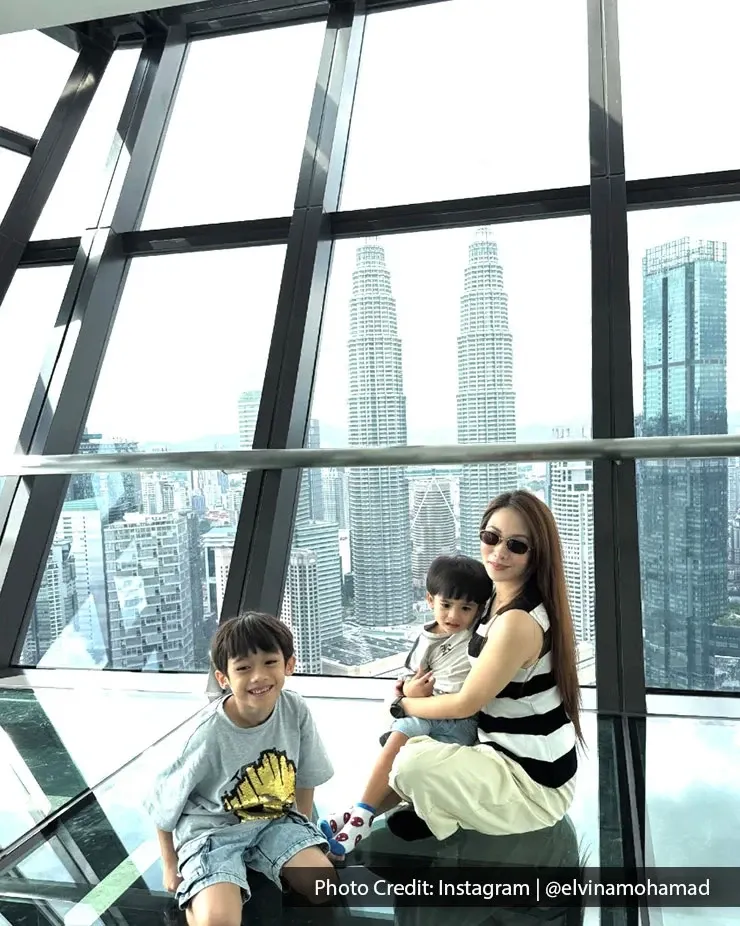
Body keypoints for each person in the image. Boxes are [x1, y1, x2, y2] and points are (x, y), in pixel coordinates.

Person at [383, 489, 584, 843]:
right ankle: (374, 815)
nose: (498, 552)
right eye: (490, 537)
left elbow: (466, 703)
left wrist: (403, 704)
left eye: (516, 545)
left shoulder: (517, 621)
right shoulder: (493, 597)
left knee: (409, 761)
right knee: (411, 743)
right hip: (496, 748)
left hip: (533, 784)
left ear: (537, 554)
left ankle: (437, 816)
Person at [143, 612, 336, 926]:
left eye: (270, 663)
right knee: (220, 922)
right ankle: (196, 903)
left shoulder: (295, 709)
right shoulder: (207, 735)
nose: (258, 676)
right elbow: (162, 803)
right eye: (244, 668)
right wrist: (170, 866)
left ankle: (255, 868)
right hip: (213, 832)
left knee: (321, 885)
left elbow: (306, 777)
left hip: (273, 820)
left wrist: (305, 832)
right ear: (224, 679)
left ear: (289, 664)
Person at [318, 553, 492, 856]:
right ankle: (361, 817)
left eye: (466, 608)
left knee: (401, 761)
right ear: (429, 600)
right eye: (446, 605)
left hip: (460, 722)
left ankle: (357, 817)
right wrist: (408, 692)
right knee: (399, 748)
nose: (454, 615)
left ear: (478, 610)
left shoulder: (476, 636)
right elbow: (412, 678)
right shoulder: (425, 637)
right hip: (428, 710)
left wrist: (409, 697)